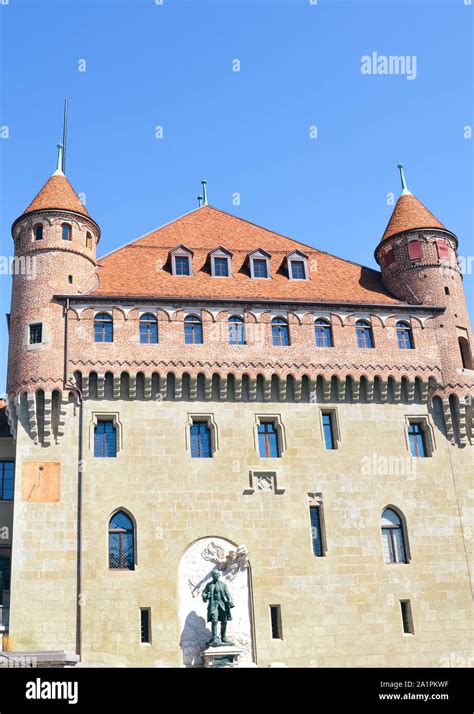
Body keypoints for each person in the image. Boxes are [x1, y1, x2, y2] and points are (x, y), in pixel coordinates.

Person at [202, 568, 234, 646]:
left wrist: (230, 601)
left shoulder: (223, 585)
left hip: (222, 605)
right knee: (214, 620)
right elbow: (204, 594)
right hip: (213, 605)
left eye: (217, 574)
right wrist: (206, 596)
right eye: (214, 574)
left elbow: (227, 594)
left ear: (219, 575)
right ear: (212, 576)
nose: (216, 576)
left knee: (224, 621)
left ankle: (223, 637)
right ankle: (215, 638)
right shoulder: (209, 585)